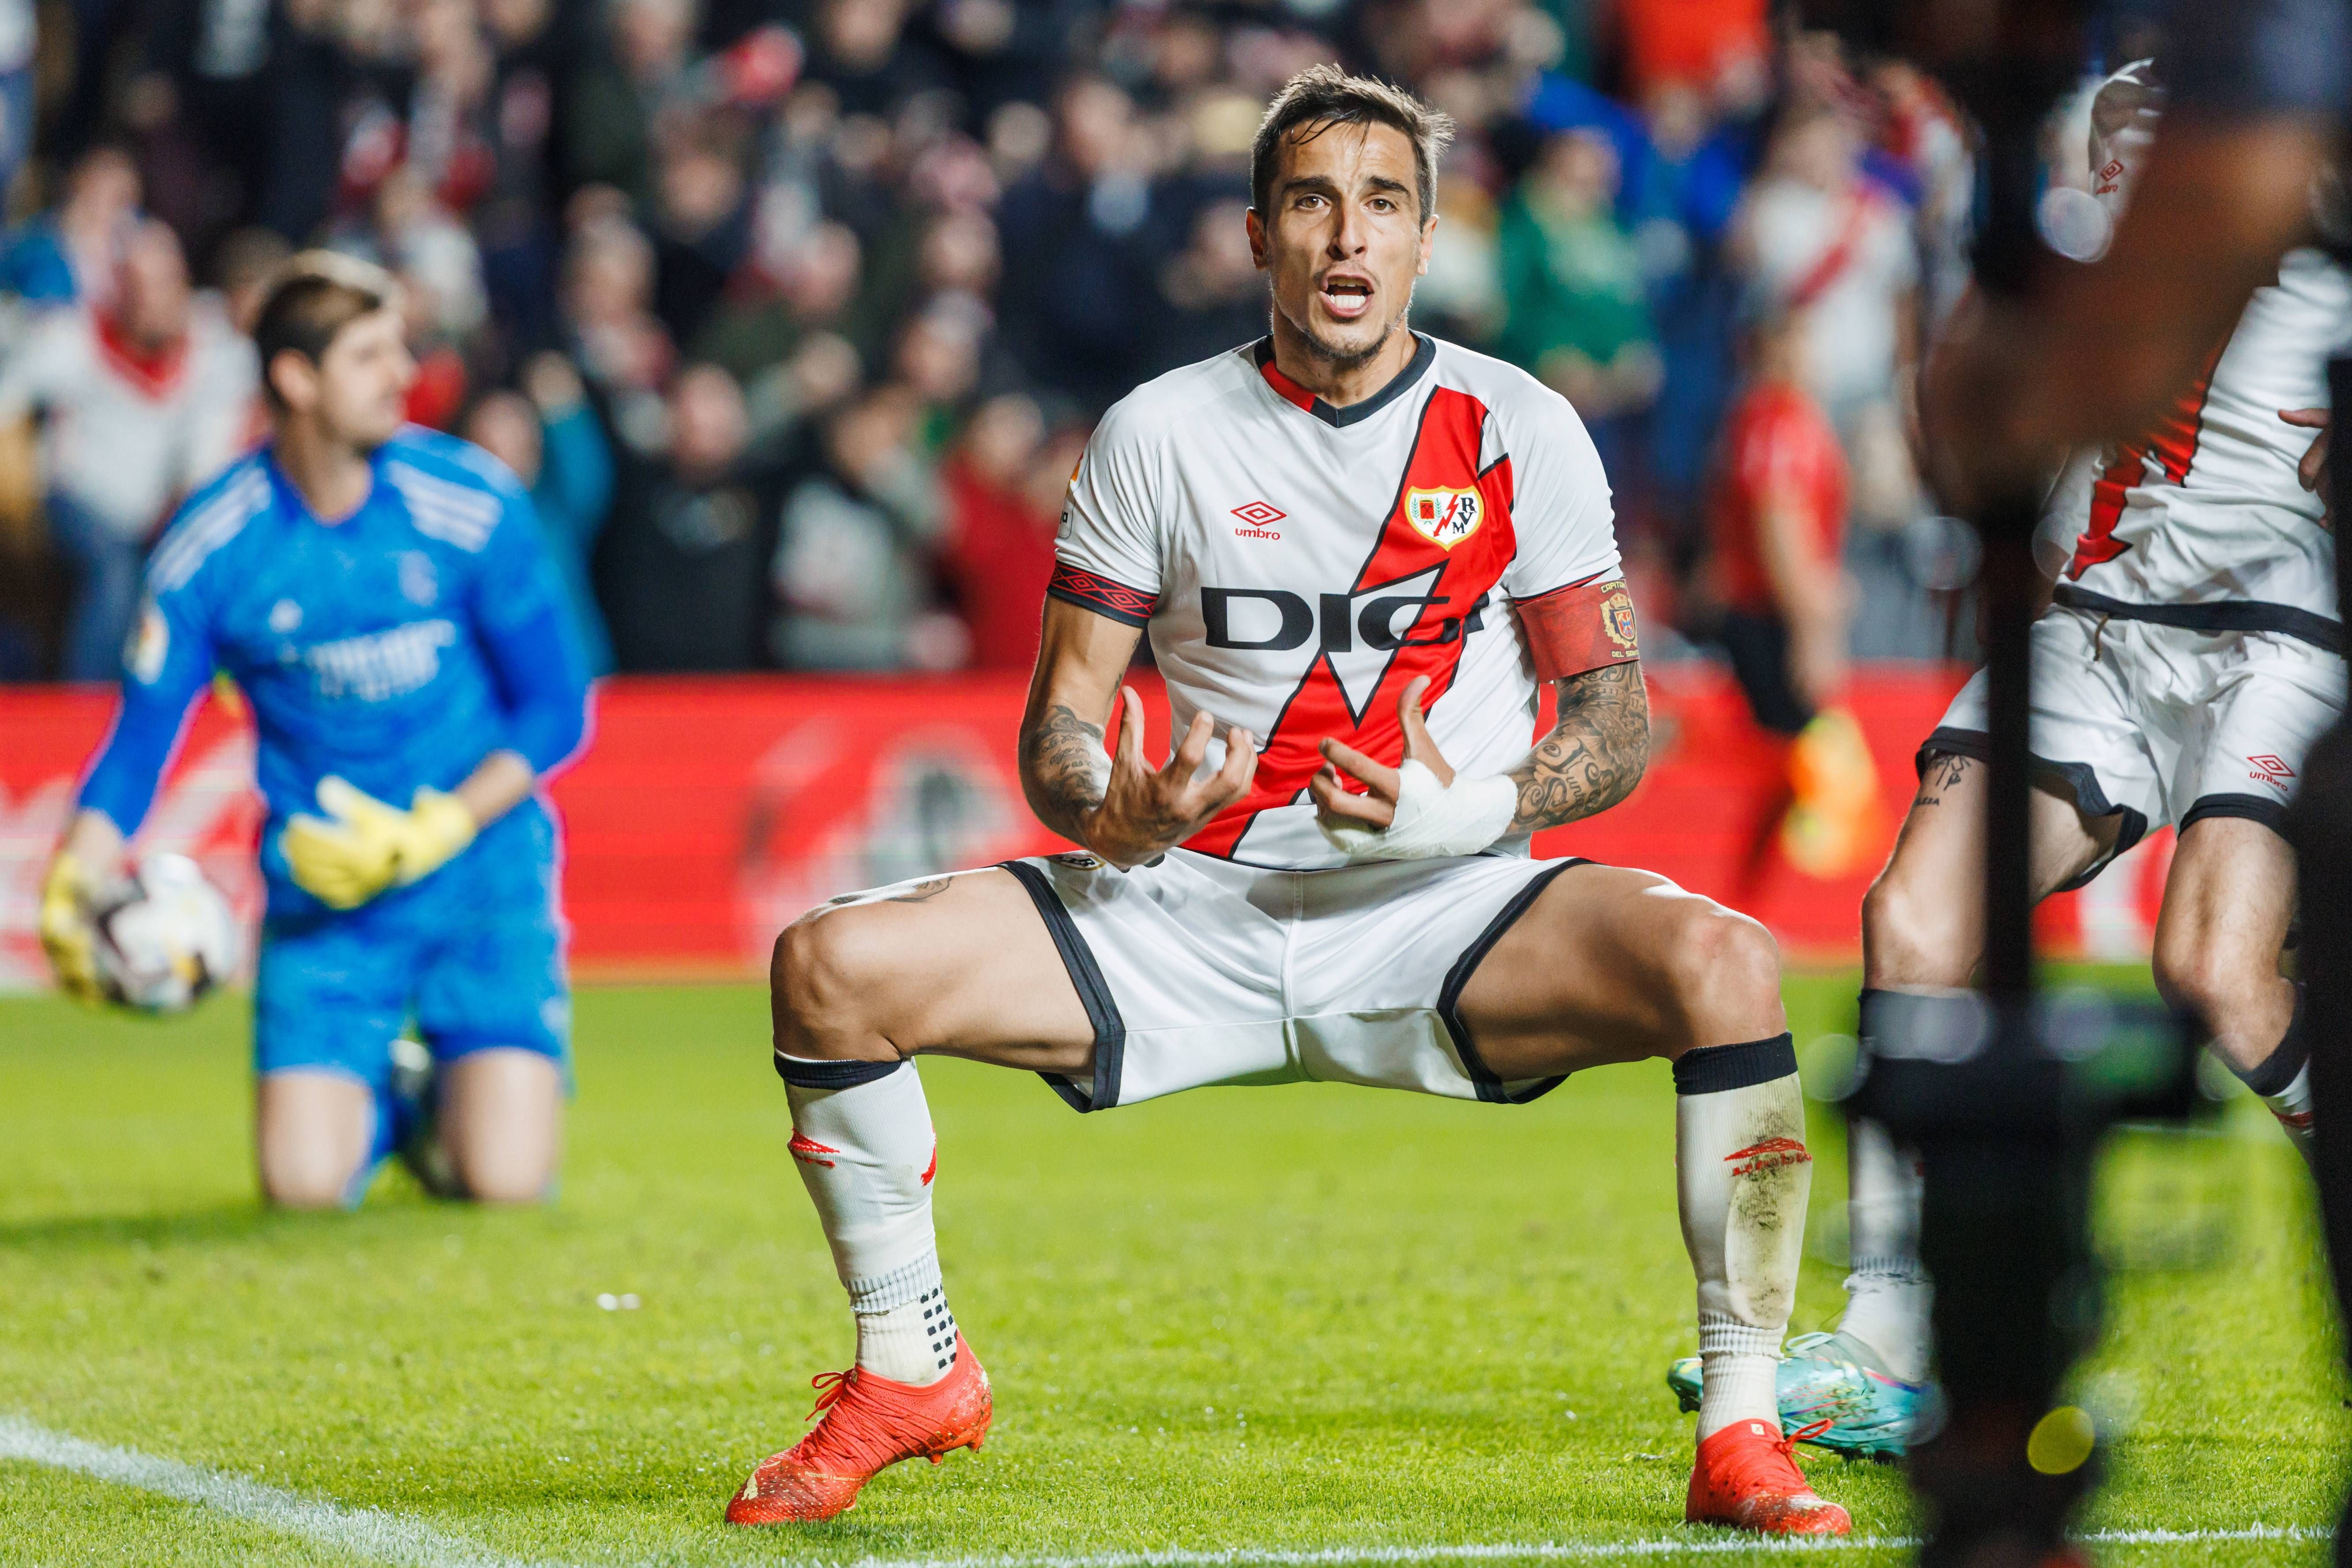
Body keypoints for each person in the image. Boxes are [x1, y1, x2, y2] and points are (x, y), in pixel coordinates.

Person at [725, 67, 1850, 1538]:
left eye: (1381, 203)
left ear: (1424, 238)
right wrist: (1116, 811)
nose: (1346, 236)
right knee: (828, 967)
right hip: (1180, 904)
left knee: (1726, 965)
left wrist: (1469, 814)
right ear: (1258, 236)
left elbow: (1615, 721)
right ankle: (909, 1370)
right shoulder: (1155, 431)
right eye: (1311, 202)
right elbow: (1055, 733)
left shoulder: (1519, 428)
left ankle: (1742, 1429)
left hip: (1442, 910)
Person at [1699, 62, 2351, 1460]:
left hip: (2280, 629)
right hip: (2096, 614)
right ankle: (1887, 1333)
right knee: (1909, 924)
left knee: (2215, 973)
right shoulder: (2099, 103)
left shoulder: (2295, 109)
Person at [36, 252, 591, 1209]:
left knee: (502, 1182)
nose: (402, 375)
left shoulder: (471, 502)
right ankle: (392, 1098)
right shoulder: (214, 543)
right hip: (327, 902)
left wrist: (440, 825)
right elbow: (141, 740)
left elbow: (556, 709)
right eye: (370, 354)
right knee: (301, 1190)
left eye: (401, 349)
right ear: (296, 378)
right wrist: (76, 875)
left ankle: (430, 1107)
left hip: (483, 879)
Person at [0, 218, 257, 678]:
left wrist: (188, 505)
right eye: (141, 284)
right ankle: (87, 710)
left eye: (166, 282)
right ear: (120, 287)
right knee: (113, 573)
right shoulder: (75, 336)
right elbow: (11, 394)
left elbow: (211, 449)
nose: (155, 298)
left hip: (165, 512)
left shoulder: (214, 348)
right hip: (76, 500)